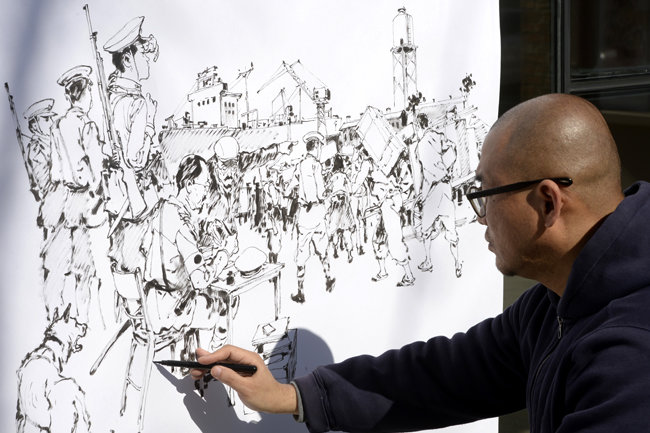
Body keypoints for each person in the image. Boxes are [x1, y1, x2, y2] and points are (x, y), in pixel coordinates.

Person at [189, 93, 650, 432]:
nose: (479, 216)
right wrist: (294, 395)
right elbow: (445, 375)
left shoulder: (629, 354)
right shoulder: (554, 303)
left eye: (485, 194)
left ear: (547, 204)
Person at [47, 65, 105, 323]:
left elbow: (55, 172)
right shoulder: (87, 125)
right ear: (83, 94)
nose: (91, 97)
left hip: (67, 200)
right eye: (89, 92)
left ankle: (73, 316)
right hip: (88, 201)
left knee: (72, 264)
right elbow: (97, 173)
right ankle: (87, 319)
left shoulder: (57, 125)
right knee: (90, 266)